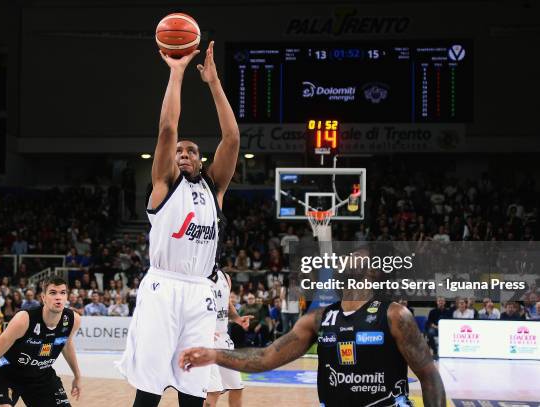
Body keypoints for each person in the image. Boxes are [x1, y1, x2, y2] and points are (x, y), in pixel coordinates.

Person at [117, 40, 240, 407]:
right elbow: (168, 129)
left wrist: (214, 84)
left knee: (193, 385)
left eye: (191, 151)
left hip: (200, 293)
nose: (183, 153)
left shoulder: (213, 187)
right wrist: (177, 72)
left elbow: (232, 138)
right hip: (162, 287)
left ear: (201, 161)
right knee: (150, 385)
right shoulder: (164, 185)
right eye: (179, 152)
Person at [180, 248, 446, 406]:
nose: (349, 256)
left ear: (373, 271)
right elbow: (264, 357)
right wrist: (214, 355)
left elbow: (429, 375)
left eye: (358, 255)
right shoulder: (318, 319)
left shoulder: (394, 315)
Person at [0, 276, 82, 407]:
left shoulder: (73, 320)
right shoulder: (23, 320)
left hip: (41, 375)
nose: (58, 297)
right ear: (43, 297)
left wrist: (77, 376)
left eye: (62, 293)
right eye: (53, 293)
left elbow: (66, 344)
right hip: (8, 374)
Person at [205, 270, 251, 407]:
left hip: (223, 339)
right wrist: (200, 329)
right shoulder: (197, 274)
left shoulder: (225, 277)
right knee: (213, 391)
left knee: (236, 387)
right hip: (206, 340)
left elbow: (226, 303)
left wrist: (237, 318)